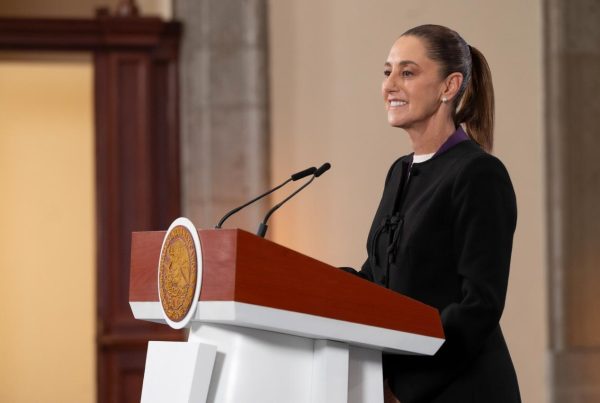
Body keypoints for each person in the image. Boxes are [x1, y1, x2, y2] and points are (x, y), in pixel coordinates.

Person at [343, 25, 521, 402]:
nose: (390, 85)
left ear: (449, 86)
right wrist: (306, 282)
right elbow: (379, 279)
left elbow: (479, 306)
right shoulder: (400, 172)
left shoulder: (478, 174)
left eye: (407, 72)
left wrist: (402, 387)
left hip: (461, 390)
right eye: (387, 72)